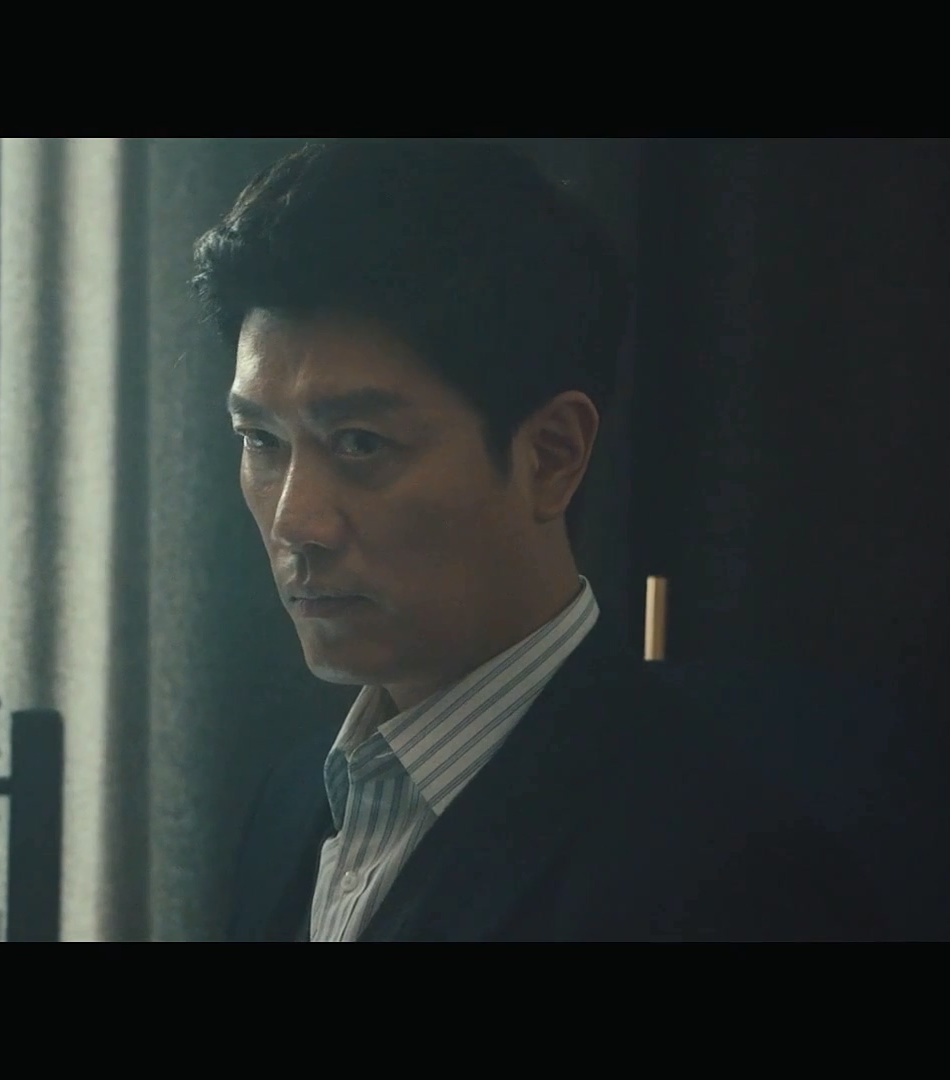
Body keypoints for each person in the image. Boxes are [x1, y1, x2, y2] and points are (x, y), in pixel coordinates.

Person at [200, 140, 912, 942]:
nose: (295, 522)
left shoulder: (727, 868)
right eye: (261, 441)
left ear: (552, 455)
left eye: (361, 443)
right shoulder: (289, 804)